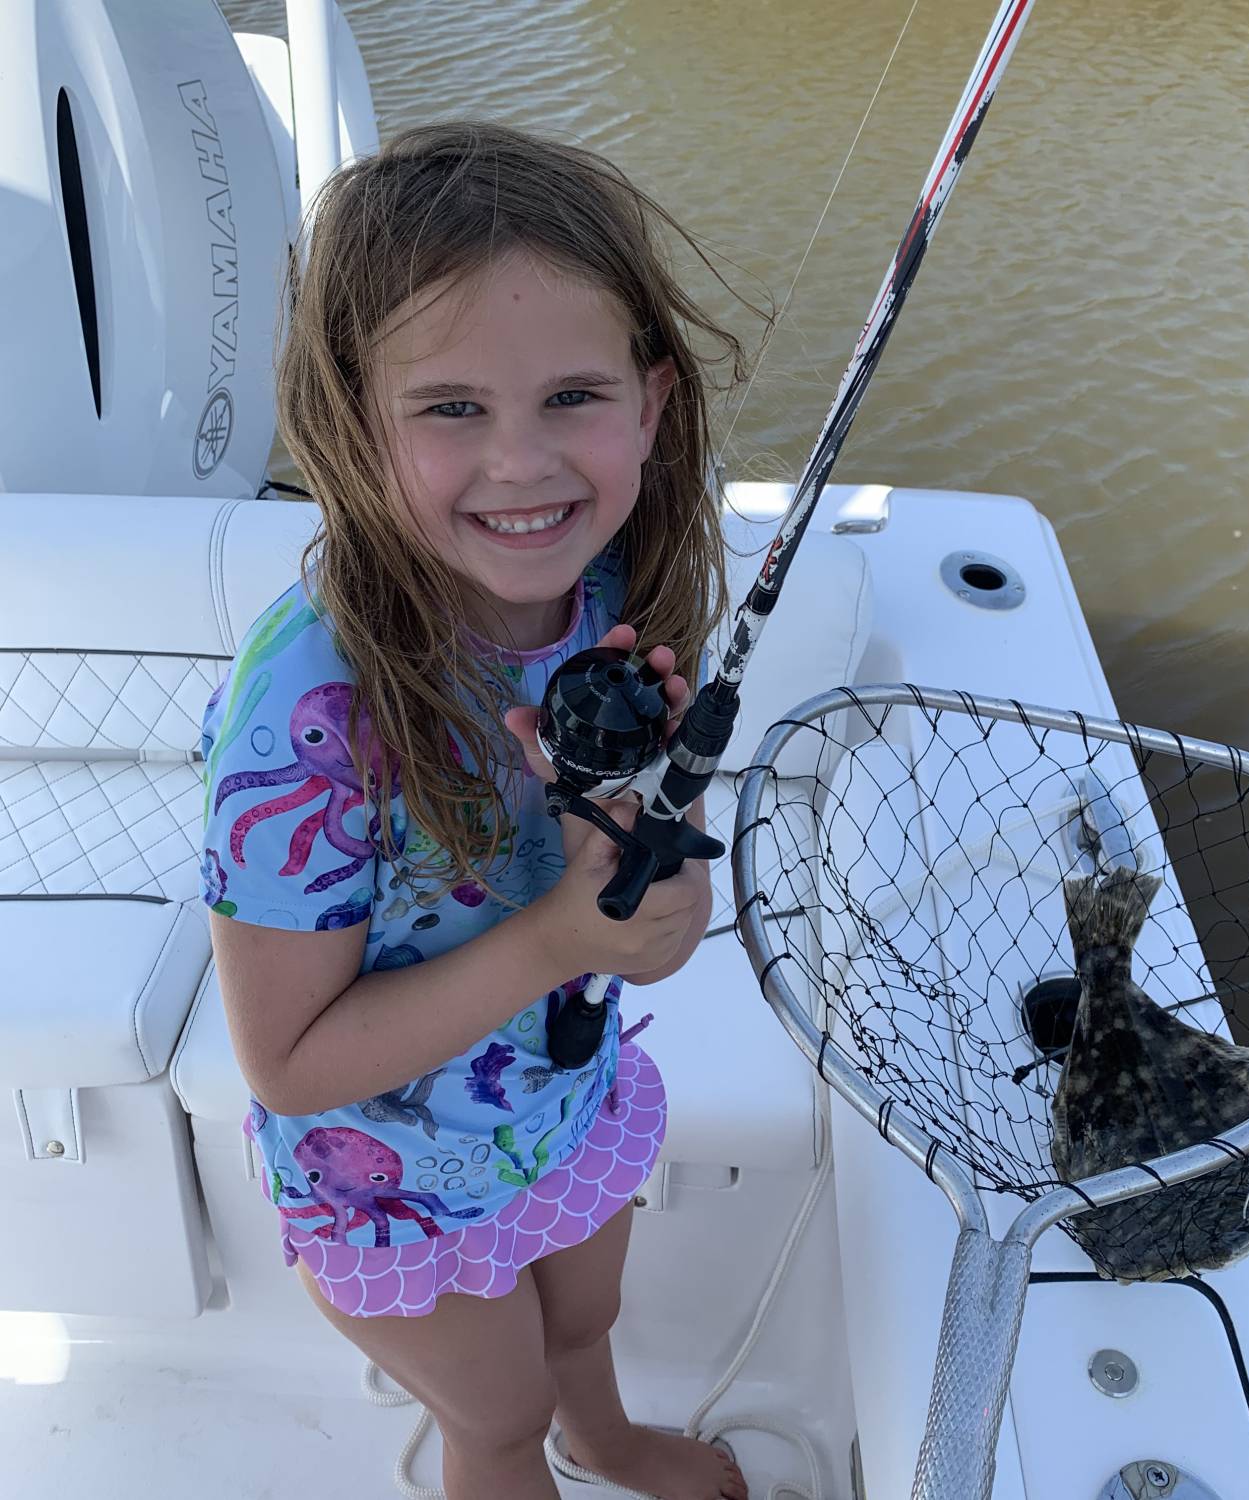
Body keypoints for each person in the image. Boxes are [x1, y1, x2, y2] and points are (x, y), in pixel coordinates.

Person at [200, 120, 760, 1500]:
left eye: (573, 396)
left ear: (654, 402)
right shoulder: (306, 717)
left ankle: (608, 1436)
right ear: (352, 418)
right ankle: (546, 1452)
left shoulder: (602, 586)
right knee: (495, 1420)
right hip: (387, 1177)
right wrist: (569, 940)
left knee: (584, 1318)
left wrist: (647, 907)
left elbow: (602, 872)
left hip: (560, 1097)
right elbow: (287, 1063)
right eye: (451, 408)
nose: (522, 465)